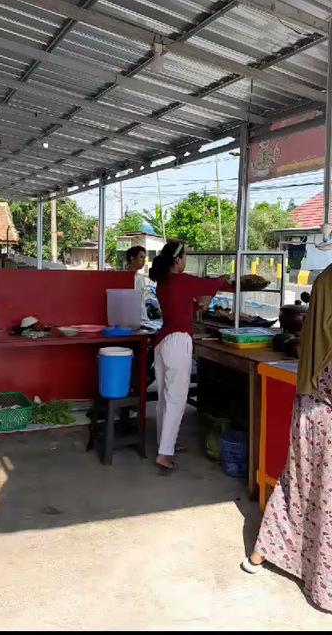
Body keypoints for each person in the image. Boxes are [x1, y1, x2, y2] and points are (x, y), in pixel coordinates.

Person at [242, 263, 332, 613]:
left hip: (307, 410)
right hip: (325, 420)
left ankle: (262, 552)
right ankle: (321, 582)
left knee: (297, 485)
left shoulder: (325, 285)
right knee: (321, 497)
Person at [149, 240, 233, 471]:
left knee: (165, 398)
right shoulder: (182, 280)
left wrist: (198, 307)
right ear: (177, 261)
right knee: (176, 397)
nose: (186, 260)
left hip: (162, 341)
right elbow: (209, 283)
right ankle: (164, 454)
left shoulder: (163, 283)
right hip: (178, 341)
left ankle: (165, 444)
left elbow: (180, 309)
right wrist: (223, 280)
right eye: (185, 256)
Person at [126, 245, 149, 326]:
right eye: (141, 257)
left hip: (143, 318)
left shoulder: (141, 278)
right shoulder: (123, 278)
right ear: (132, 259)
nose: (144, 261)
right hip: (129, 319)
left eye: (144, 258)